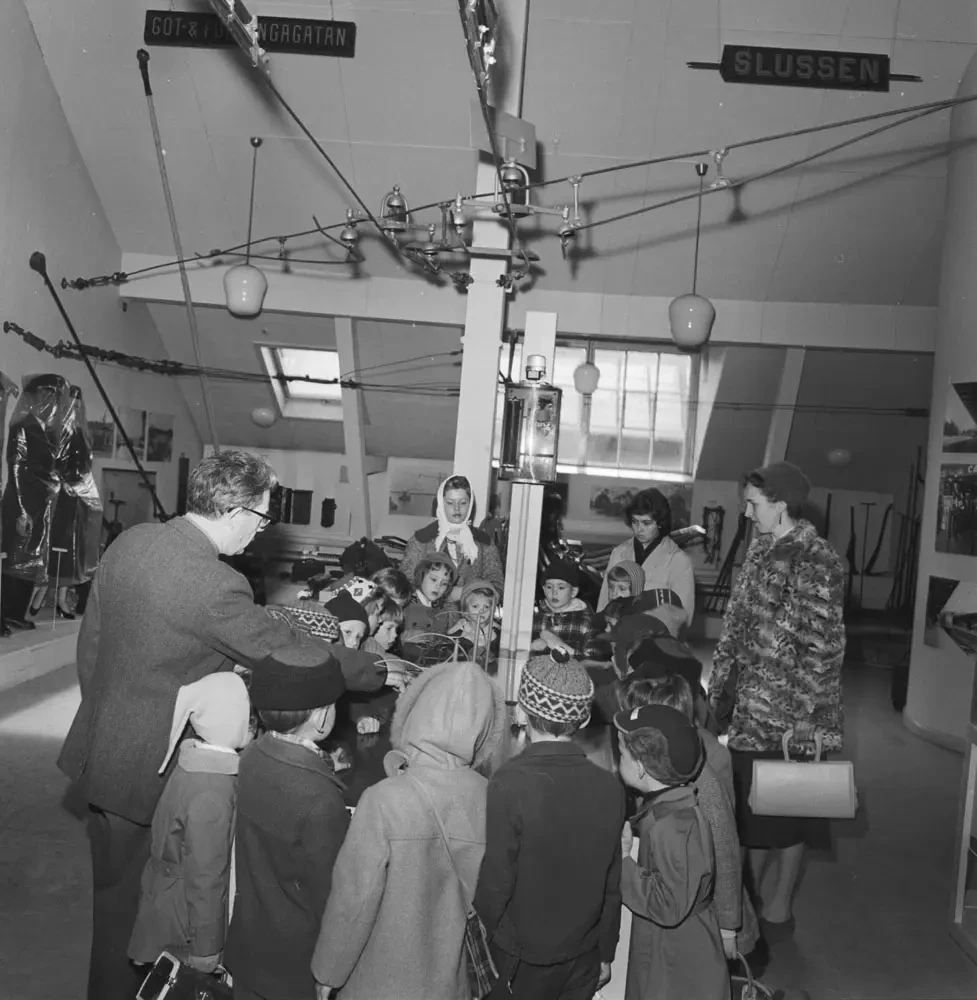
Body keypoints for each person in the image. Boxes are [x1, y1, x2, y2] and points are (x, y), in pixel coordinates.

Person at [56, 449, 389, 1000]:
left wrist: (110, 715)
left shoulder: (132, 541)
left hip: (104, 751)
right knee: (157, 924)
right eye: (261, 518)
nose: (259, 534)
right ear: (234, 510)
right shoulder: (214, 584)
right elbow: (284, 651)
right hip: (154, 776)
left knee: (112, 909)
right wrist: (372, 668)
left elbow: (91, 645)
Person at [311, 662, 506, 1000]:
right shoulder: (491, 798)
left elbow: (354, 899)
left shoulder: (384, 800)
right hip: (450, 981)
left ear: (416, 711)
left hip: (380, 982)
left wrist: (328, 972)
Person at [707, 461, 845, 929]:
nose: (746, 513)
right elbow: (737, 625)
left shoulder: (816, 558)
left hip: (790, 713)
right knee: (748, 807)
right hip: (747, 705)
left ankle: (780, 901)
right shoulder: (761, 549)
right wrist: (720, 686)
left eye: (753, 504)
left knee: (789, 810)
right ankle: (743, 897)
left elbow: (823, 645)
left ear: (782, 504)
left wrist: (807, 716)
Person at [474, 655, 625, 1000]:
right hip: (583, 953)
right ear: (584, 717)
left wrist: (484, 936)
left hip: (519, 958)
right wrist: (606, 951)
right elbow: (611, 882)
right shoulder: (610, 786)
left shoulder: (508, 782)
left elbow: (497, 878)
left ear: (522, 713)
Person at [225, 648, 350, 1000]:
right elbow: (332, 895)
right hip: (295, 963)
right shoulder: (319, 798)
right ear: (323, 716)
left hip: (250, 945)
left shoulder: (250, 757)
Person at [128, 673, 252, 973]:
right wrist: (206, 947)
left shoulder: (193, 763)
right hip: (186, 920)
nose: (253, 724)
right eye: (249, 714)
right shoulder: (212, 791)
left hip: (165, 901)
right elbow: (207, 877)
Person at [615, 704, 730, 1000]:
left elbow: (669, 905)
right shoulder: (669, 805)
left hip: (676, 958)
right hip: (673, 945)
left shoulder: (674, 825)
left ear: (641, 766)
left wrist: (624, 863)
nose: (618, 762)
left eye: (622, 754)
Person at [399, 475, 505, 603]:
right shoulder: (422, 540)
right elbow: (404, 584)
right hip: (426, 617)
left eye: (463, 503)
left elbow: (497, 587)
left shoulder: (483, 543)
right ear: (441, 503)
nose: (456, 509)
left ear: (470, 504)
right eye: (450, 503)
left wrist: (468, 593)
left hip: (468, 617)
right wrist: (444, 593)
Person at [597, 489, 695, 625]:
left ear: (660, 523)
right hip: (616, 635)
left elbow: (684, 617)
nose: (639, 529)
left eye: (646, 523)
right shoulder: (619, 553)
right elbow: (603, 603)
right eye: (635, 522)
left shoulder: (679, 560)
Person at [531, 559, 594, 658]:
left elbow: (592, 661)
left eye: (561, 588)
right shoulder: (535, 618)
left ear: (574, 592)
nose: (554, 592)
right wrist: (531, 648)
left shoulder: (585, 622)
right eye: (549, 587)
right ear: (543, 589)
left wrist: (561, 647)